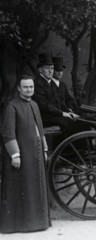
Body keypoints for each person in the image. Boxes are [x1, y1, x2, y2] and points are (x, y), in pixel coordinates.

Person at [1, 75, 51, 233]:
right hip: (22, 155)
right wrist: (15, 154)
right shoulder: (12, 106)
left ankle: (38, 223)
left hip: (35, 154)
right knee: (24, 188)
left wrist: (44, 149)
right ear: (19, 89)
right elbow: (8, 133)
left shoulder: (35, 104)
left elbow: (40, 129)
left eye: (31, 87)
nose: (29, 90)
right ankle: (23, 225)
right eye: (26, 87)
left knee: (36, 188)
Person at [33, 53, 79, 134]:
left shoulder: (51, 83)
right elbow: (44, 105)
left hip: (54, 116)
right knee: (69, 123)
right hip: (44, 118)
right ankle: (67, 146)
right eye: (47, 68)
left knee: (78, 121)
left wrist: (69, 112)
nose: (51, 71)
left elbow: (59, 102)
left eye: (52, 68)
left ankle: (82, 145)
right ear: (40, 69)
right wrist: (62, 113)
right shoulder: (38, 83)